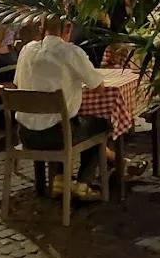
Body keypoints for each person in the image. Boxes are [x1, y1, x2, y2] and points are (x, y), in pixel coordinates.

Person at [13, 17, 110, 201]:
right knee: (101, 125)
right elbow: (98, 86)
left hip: (26, 134)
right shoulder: (71, 52)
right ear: (68, 28)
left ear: (41, 27)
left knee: (60, 120)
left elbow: (18, 83)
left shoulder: (26, 50)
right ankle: (83, 183)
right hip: (57, 136)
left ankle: (59, 179)